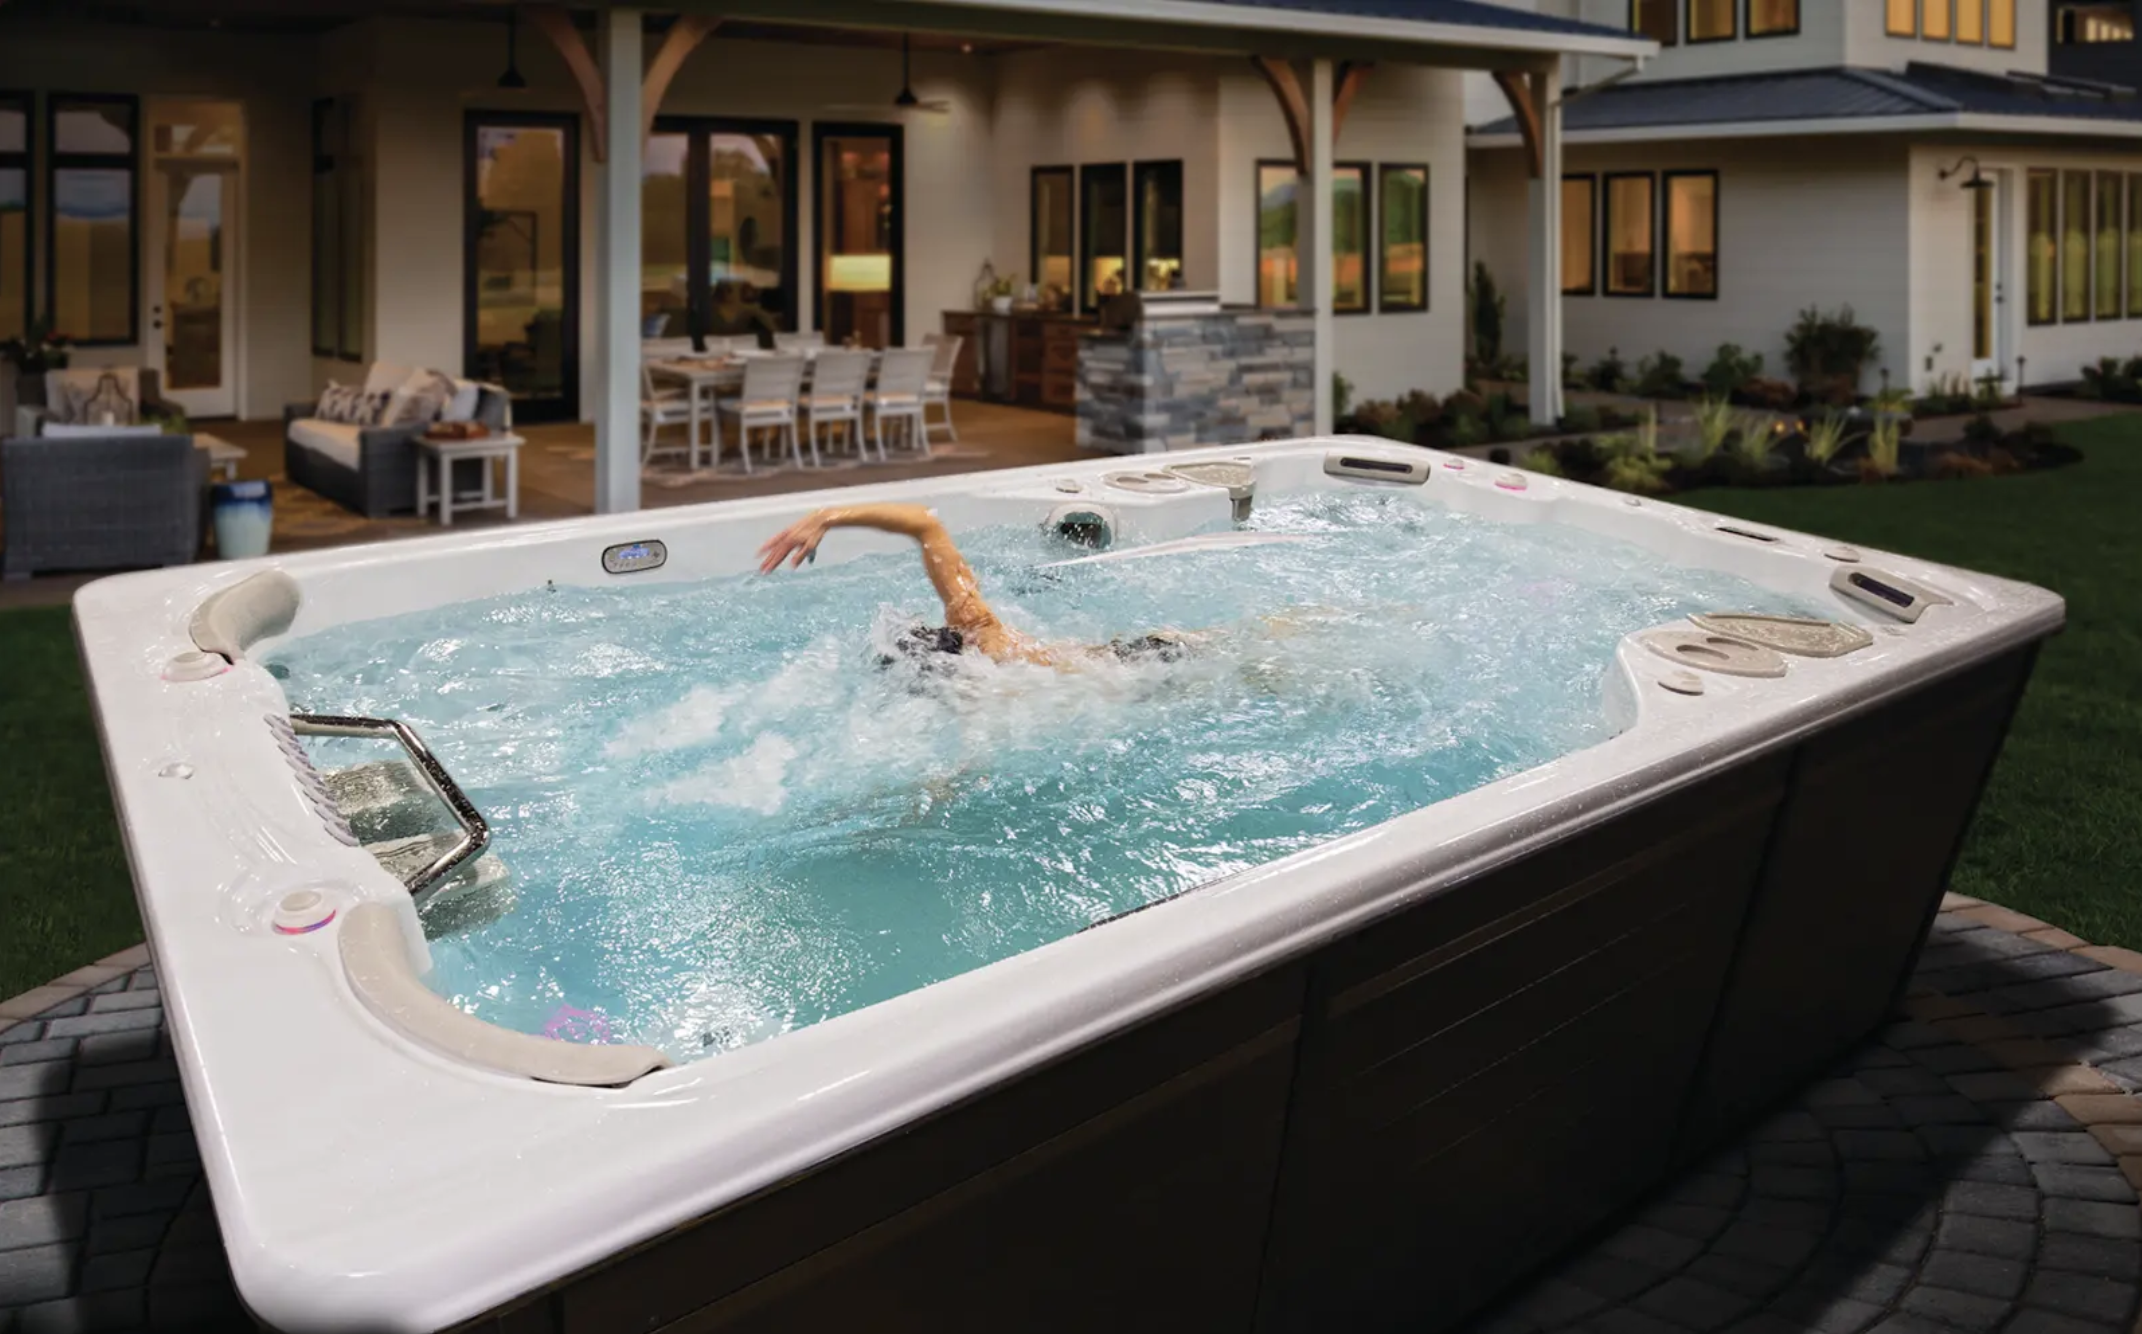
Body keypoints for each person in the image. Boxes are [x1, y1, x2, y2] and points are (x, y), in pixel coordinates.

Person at [756, 503, 1197, 670]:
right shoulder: (972, 626)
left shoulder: (982, 640)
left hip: (1145, 662)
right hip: (1121, 659)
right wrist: (826, 516)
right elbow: (925, 525)